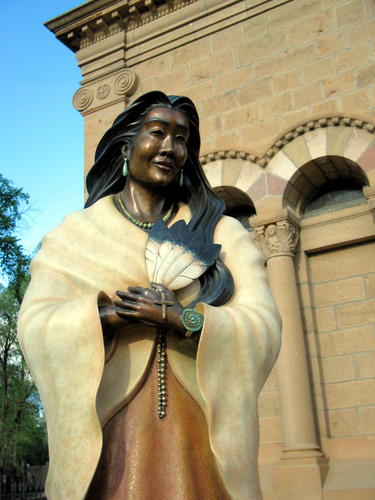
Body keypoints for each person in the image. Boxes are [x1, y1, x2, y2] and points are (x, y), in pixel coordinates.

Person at [18, 91, 281, 500]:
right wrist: (109, 315)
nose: (169, 147)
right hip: (112, 434)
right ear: (127, 146)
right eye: (157, 132)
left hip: (199, 432)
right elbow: (36, 324)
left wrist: (184, 320)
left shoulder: (223, 232)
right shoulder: (76, 234)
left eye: (181, 138)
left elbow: (263, 324)